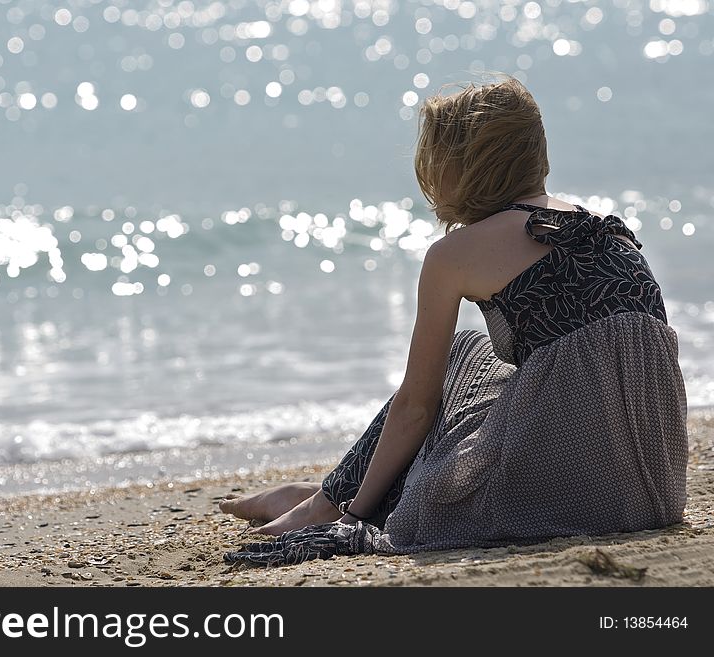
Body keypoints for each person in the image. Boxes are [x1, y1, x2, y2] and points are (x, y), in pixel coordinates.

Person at [220, 75, 689, 566]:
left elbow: (416, 409)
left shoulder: (454, 256)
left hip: (570, 496)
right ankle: (324, 492)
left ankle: (325, 503)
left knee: (460, 355)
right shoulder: (605, 230)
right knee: (481, 380)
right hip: (653, 488)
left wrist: (352, 519)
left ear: (458, 166)